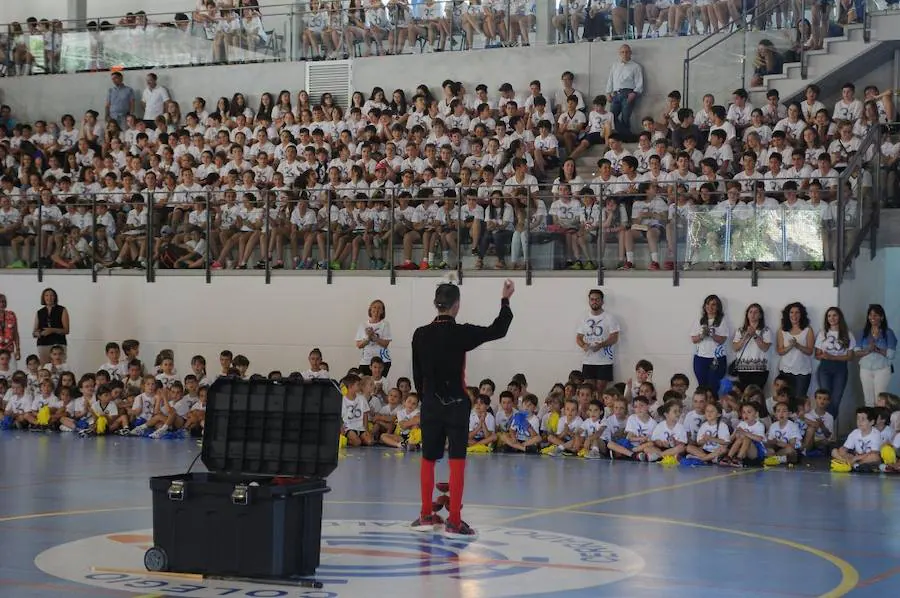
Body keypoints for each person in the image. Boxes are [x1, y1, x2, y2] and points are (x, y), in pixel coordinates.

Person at [411, 279, 514, 539]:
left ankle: (425, 514)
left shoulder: (420, 334)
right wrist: (505, 300)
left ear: (436, 304)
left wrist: (426, 400)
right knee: (457, 460)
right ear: (456, 305)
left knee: (428, 458)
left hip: (431, 403)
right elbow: (498, 329)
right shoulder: (461, 332)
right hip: (456, 403)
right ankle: (454, 520)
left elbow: (417, 375)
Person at [576, 289, 620, 392]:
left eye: (597, 299)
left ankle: (600, 408)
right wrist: (583, 345)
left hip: (604, 361)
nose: (594, 301)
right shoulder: (584, 318)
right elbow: (578, 338)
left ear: (602, 301)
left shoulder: (610, 318)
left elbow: (614, 338)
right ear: (589, 301)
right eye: (592, 299)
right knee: (588, 390)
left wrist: (600, 345)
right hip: (588, 360)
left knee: (601, 390)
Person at [855, 304, 896, 407]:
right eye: (871, 315)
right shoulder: (862, 333)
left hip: (882, 369)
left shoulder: (888, 333)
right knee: (868, 400)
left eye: (876, 315)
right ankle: (870, 422)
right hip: (865, 369)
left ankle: (880, 422)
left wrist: (877, 349)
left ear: (881, 317)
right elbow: (856, 353)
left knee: (880, 400)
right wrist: (868, 349)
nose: (873, 317)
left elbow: (891, 354)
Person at [605, 44, 643, 138]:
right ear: (619, 53)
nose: (625, 54)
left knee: (625, 118)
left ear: (630, 53)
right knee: (611, 116)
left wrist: (634, 93)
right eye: (622, 52)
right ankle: (627, 136)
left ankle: (625, 137)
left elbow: (639, 82)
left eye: (627, 52)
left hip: (628, 93)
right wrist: (608, 93)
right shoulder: (615, 65)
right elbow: (610, 79)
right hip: (615, 94)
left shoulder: (636, 66)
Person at [355, 299, 392, 376]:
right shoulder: (363, 325)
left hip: (382, 360)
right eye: (374, 307)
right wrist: (368, 338)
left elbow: (385, 344)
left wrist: (373, 337)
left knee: (378, 385)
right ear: (370, 309)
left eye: (379, 308)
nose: (376, 310)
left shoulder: (385, 324)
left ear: (382, 311)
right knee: (364, 384)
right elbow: (359, 345)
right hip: (366, 361)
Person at [33, 288, 70, 365]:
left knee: (59, 367)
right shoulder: (39, 312)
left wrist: (52, 330)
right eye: (46, 295)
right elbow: (34, 331)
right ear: (43, 297)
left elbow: (66, 330)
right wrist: (38, 333)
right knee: (45, 368)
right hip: (43, 344)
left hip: (58, 343)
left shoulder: (62, 310)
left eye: (51, 295)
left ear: (55, 297)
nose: (49, 297)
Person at [0, 293, 22, 369]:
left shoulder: (11, 314)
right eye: (0, 302)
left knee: (12, 373)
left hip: (10, 349)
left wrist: (18, 350)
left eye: (3, 301)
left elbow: (16, 333)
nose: (1, 304)